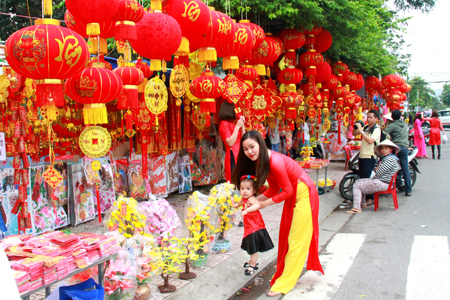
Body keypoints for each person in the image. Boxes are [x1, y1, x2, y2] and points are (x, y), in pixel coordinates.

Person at [232, 131, 323, 297]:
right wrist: (254, 201)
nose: (249, 151)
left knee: (296, 240)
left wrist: (262, 204)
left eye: (252, 146)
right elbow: (274, 188)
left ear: (260, 143)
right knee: (287, 237)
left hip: (303, 195)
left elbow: (286, 190)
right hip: (295, 195)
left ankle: (285, 282)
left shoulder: (274, 161)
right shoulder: (262, 160)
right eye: (245, 149)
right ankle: (285, 273)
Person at [232, 175, 274, 276]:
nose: (244, 191)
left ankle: (253, 265)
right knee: (251, 245)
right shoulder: (244, 199)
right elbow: (238, 204)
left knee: (253, 247)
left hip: (255, 227)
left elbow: (257, 205)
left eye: (248, 189)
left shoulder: (252, 199)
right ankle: (252, 262)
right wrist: (233, 203)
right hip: (249, 227)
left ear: (254, 190)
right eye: (242, 189)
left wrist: (246, 210)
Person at [347, 140, 401, 214]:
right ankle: (362, 204)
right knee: (359, 181)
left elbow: (378, 172)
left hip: (383, 183)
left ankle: (357, 208)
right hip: (383, 182)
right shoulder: (390, 158)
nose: (383, 150)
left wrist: (377, 168)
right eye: (382, 148)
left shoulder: (390, 159)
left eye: (386, 148)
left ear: (391, 149)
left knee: (357, 185)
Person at [352, 109, 381, 205]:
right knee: (362, 177)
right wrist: (357, 127)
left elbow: (370, 140)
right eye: (367, 117)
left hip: (369, 156)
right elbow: (354, 134)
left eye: (371, 117)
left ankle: (370, 198)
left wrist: (361, 131)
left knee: (367, 179)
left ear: (376, 119)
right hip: (362, 155)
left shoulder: (377, 129)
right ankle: (363, 198)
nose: (368, 119)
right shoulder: (367, 127)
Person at [384, 110, 412, 196]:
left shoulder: (392, 125)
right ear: (400, 116)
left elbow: (383, 133)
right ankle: (408, 190)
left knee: (388, 164)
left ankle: (388, 186)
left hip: (395, 148)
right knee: (405, 169)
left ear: (392, 117)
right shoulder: (403, 124)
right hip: (405, 148)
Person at [219, 102, 245, 182]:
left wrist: (242, 125)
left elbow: (244, 139)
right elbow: (230, 142)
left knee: (241, 178)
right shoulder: (224, 124)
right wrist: (237, 127)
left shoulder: (233, 124)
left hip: (240, 153)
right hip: (232, 154)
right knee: (234, 180)